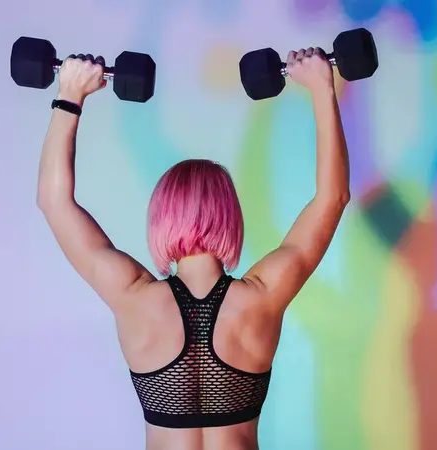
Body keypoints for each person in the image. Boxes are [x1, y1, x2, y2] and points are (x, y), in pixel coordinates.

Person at [37, 48, 350, 450]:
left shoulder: (132, 296)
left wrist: (70, 95)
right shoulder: (263, 296)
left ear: (161, 217)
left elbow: (54, 201)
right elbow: (332, 198)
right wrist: (323, 88)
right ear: (230, 217)